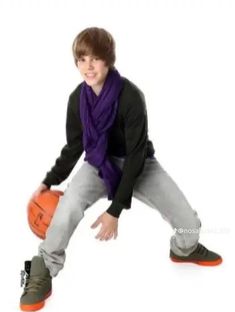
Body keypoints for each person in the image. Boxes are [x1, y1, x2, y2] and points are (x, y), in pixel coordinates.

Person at [19, 27, 222, 311]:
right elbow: (74, 147)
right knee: (68, 206)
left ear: (108, 60)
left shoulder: (131, 96)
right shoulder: (77, 100)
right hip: (98, 163)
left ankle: (184, 248)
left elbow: (137, 154)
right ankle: (42, 268)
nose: (88, 67)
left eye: (95, 59)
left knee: (188, 221)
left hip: (138, 165)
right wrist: (49, 180)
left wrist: (115, 210)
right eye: (82, 59)